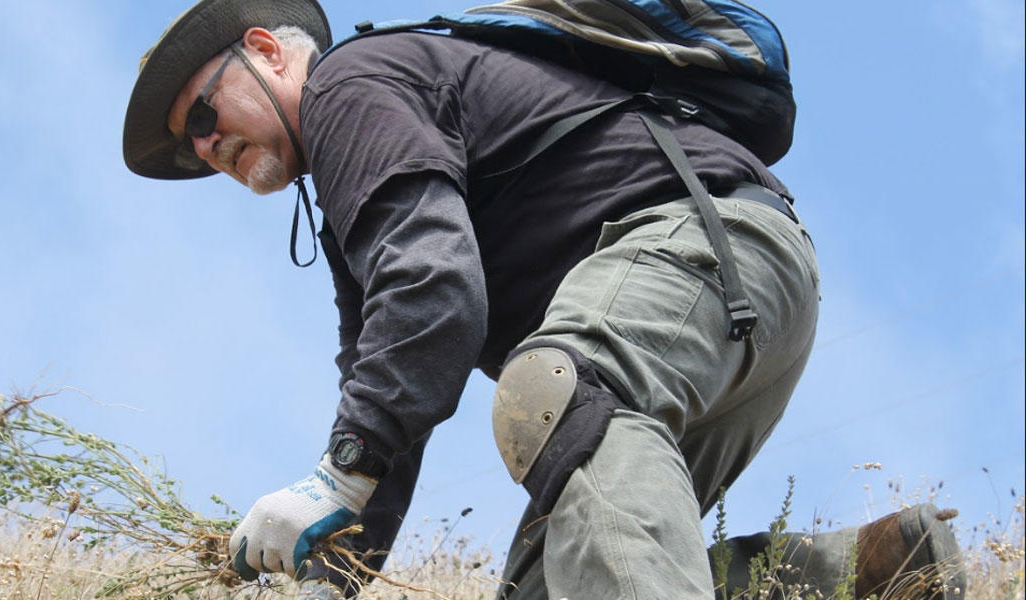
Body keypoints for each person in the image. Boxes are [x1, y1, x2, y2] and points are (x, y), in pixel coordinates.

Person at [122, 1, 967, 598]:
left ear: (268, 51)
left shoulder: (352, 86)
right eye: (191, 151)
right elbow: (392, 382)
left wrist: (333, 474)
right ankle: (877, 572)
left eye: (202, 111)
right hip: (733, 304)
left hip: (700, 252)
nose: (205, 146)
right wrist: (335, 573)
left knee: (549, 394)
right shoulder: (359, 194)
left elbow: (435, 292)